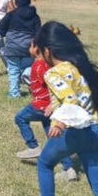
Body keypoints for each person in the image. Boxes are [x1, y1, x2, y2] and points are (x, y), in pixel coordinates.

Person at [24, 21, 98, 196]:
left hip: (73, 131)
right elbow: (75, 95)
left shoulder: (52, 73)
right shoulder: (76, 68)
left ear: (47, 50)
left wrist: (59, 122)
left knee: (44, 163)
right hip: (94, 130)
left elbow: (70, 99)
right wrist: (55, 104)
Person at [15, 41, 78, 181]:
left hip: (42, 106)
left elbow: (53, 83)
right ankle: (69, 169)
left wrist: (52, 104)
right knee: (54, 137)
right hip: (48, 106)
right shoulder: (45, 65)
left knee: (20, 118)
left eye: (31, 45)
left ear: (37, 49)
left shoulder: (39, 67)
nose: (28, 48)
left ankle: (33, 146)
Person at [0, 0, 41, 98]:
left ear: (16, 2)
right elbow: (39, 33)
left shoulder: (11, 15)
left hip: (12, 48)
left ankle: (14, 93)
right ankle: (28, 76)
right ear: (29, 2)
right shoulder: (35, 16)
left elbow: (0, 30)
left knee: (13, 70)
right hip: (28, 49)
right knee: (27, 67)